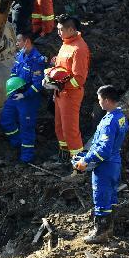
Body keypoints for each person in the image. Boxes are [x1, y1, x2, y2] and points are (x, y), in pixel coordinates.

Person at [72, 85, 129, 242]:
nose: (99, 103)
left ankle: (100, 233)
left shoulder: (109, 122)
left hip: (105, 165)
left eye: (99, 100)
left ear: (107, 100)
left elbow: (103, 150)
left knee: (101, 196)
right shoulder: (119, 116)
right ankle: (109, 229)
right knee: (110, 195)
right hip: (115, 162)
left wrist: (85, 160)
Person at [48, 16, 91, 159]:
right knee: (59, 127)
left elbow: (78, 79)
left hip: (70, 95)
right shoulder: (66, 43)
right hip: (61, 92)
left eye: (61, 30)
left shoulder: (79, 48)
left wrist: (59, 84)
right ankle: (65, 155)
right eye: (57, 29)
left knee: (70, 130)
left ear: (71, 30)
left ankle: (78, 165)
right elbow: (62, 67)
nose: (58, 33)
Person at [1, 33, 47, 163]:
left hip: (28, 100)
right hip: (15, 95)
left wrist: (24, 94)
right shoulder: (20, 55)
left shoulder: (37, 60)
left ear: (27, 41)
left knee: (26, 127)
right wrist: (12, 85)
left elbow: (38, 84)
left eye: (19, 41)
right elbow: (14, 72)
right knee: (6, 120)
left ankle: (26, 158)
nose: (17, 43)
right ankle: (17, 143)